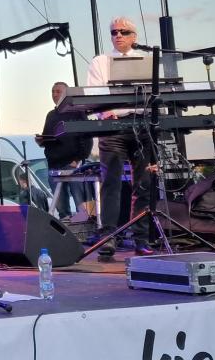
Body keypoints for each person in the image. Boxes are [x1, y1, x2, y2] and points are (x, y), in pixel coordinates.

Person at [86, 17, 155, 257]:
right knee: (111, 183)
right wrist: (106, 112)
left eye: (124, 32)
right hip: (113, 127)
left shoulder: (146, 61)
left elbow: (154, 92)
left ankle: (141, 239)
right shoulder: (101, 61)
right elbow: (94, 92)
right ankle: (108, 237)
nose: (118, 35)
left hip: (141, 125)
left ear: (134, 37)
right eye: (114, 32)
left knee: (143, 184)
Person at [36, 82, 93, 218]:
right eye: (53, 91)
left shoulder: (78, 113)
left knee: (82, 205)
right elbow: (47, 137)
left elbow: (87, 137)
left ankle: (86, 225)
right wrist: (41, 140)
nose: (54, 94)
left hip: (73, 165)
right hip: (54, 165)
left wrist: (78, 160)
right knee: (61, 208)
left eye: (58, 91)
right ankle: (66, 226)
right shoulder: (51, 115)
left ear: (66, 94)